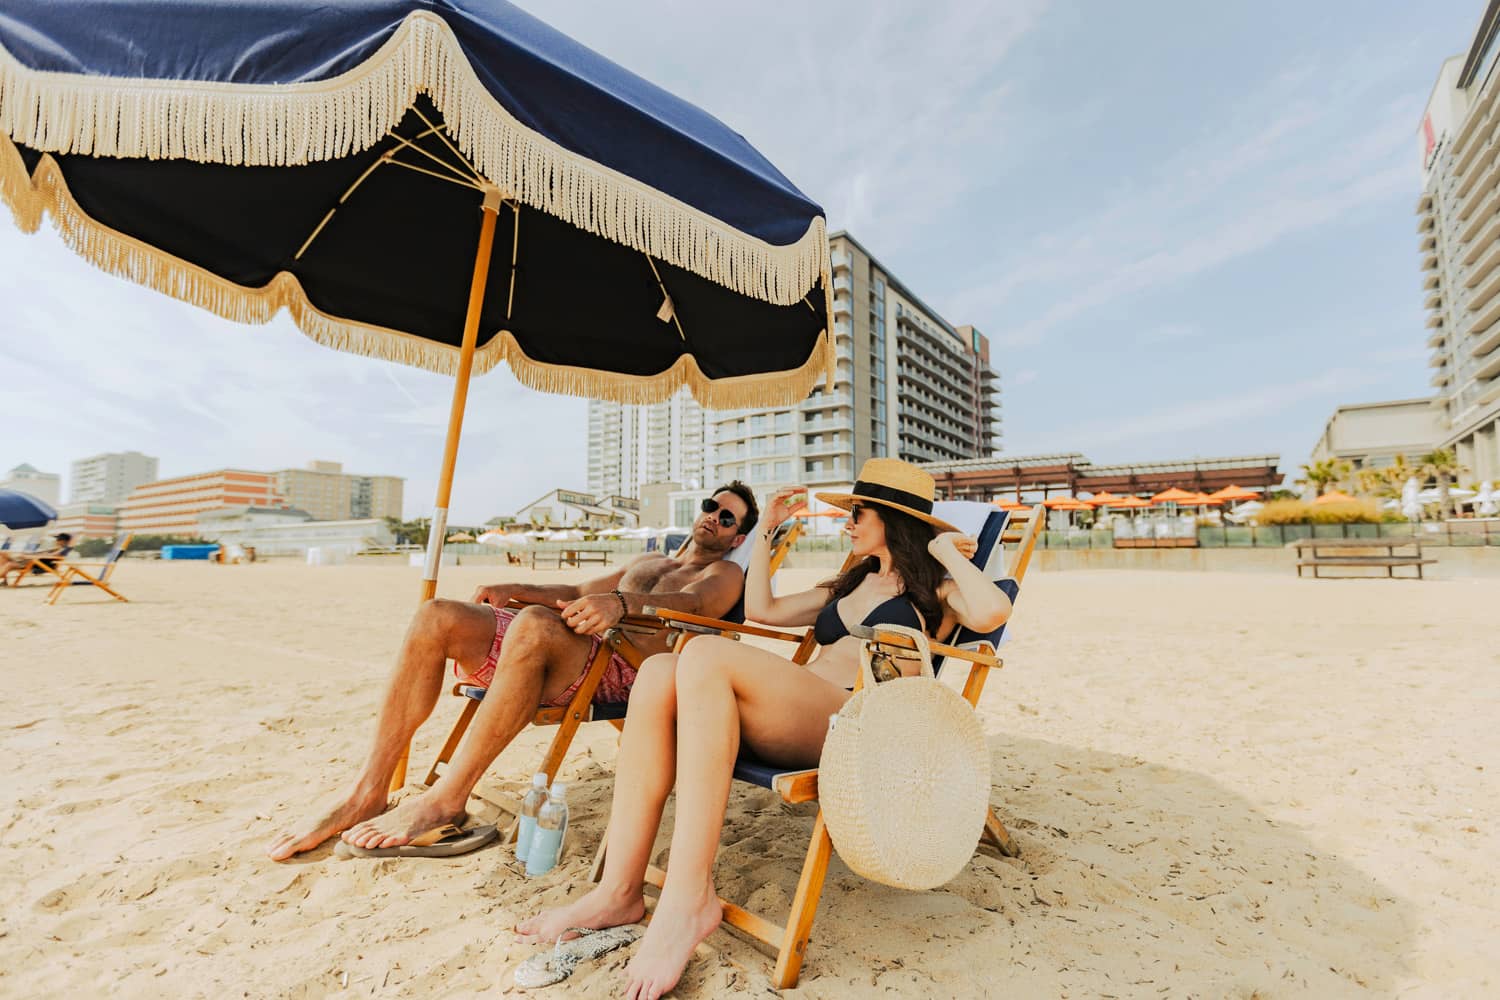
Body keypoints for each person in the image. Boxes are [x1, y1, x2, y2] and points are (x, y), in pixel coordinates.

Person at [516, 459, 1013, 999]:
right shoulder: (847, 582)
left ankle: (688, 900)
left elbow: (991, 612)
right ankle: (619, 889)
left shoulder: (936, 592)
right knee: (659, 671)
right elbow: (762, 608)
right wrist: (768, 530)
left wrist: (943, 551)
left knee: (703, 651)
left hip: (859, 723)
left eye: (859, 512)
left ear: (894, 521)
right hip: (795, 711)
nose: (847, 521)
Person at [266, 483, 759, 862]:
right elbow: (578, 585)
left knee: (536, 625)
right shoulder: (651, 558)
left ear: (738, 536)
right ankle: (367, 791)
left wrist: (623, 603)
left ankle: (445, 803)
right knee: (437, 614)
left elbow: (695, 605)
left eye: (727, 517)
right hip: (574, 642)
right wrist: (515, 584)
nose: (713, 518)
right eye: (710, 507)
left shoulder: (726, 574)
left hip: (624, 666)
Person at [0, 532, 72, 586]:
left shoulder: (63, 549)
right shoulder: (58, 548)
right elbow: (46, 554)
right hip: (31, 560)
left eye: (58, 539)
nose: (56, 540)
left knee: (9, 564)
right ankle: (5, 580)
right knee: (3, 554)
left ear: (63, 541)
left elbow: (49, 556)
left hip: (33, 563)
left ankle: (3, 579)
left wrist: (28, 556)